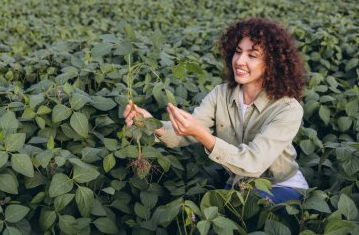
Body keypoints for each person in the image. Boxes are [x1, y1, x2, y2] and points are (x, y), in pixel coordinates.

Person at [124, 17, 309, 204]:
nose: (240, 61)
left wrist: (203, 135)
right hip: (239, 184)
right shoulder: (221, 94)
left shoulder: (288, 109)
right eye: (237, 52)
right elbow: (183, 134)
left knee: (247, 210)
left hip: (280, 185)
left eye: (252, 56)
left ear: (272, 63)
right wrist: (149, 123)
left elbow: (254, 162)